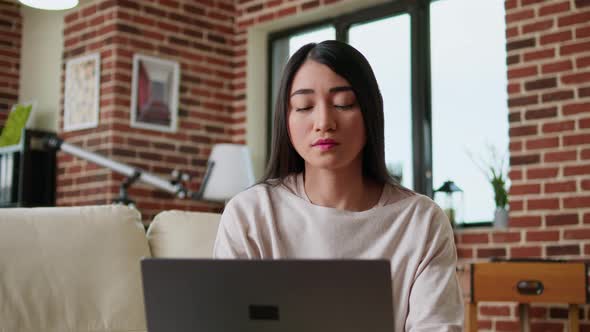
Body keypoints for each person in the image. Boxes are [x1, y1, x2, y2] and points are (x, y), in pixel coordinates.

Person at [213, 40, 464, 331]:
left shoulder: (421, 221)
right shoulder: (251, 213)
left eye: (343, 103)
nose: (324, 122)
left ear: (370, 112)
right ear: (286, 119)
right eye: (304, 106)